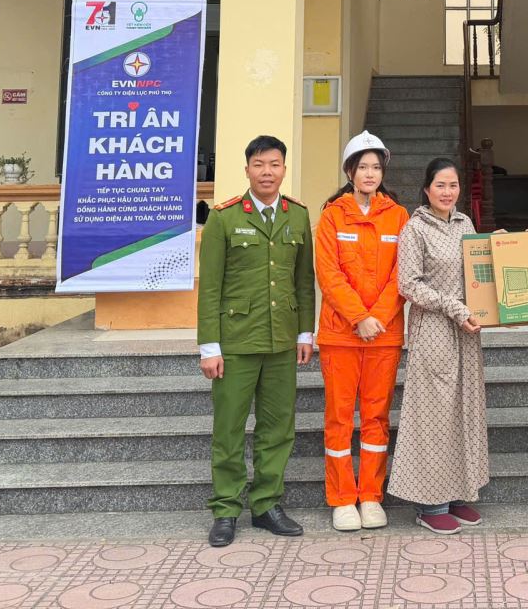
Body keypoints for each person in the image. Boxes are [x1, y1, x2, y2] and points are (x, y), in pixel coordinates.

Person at [197, 135, 315, 547]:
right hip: (236, 342)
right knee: (229, 428)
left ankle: (266, 504)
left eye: (275, 164)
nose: (267, 172)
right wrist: (209, 346)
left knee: (277, 428)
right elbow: (210, 288)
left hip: (282, 341)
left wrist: (305, 331)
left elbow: (303, 280)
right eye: (260, 164)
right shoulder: (224, 217)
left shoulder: (297, 215)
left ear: (284, 169)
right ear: (247, 169)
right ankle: (226, 508)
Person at [386, 158, 490, 535]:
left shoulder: (465, 224)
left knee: (465, 407)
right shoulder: (415, 228)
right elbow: (408, 284)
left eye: (453, 185)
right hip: (433, 328)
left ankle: (460, 493)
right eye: (440, 185)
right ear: (427, 189)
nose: (448, 192)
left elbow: (478, 270)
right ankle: (430, 503)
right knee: (433, 414)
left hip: (467, 328)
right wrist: (453, 307)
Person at [314, 131, 410, 533]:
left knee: (375, 416)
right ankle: (342, 499)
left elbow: (402, 274)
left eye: (376, 167)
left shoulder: (398, 216)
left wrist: (378, 318)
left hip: (383, 335)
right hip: (341, 335)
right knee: (339, 417)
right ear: (350, 171)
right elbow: (328, 273)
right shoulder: (332, 215)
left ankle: (371, 495)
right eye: (362, 167)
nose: (370, 174)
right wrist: (358, 317)